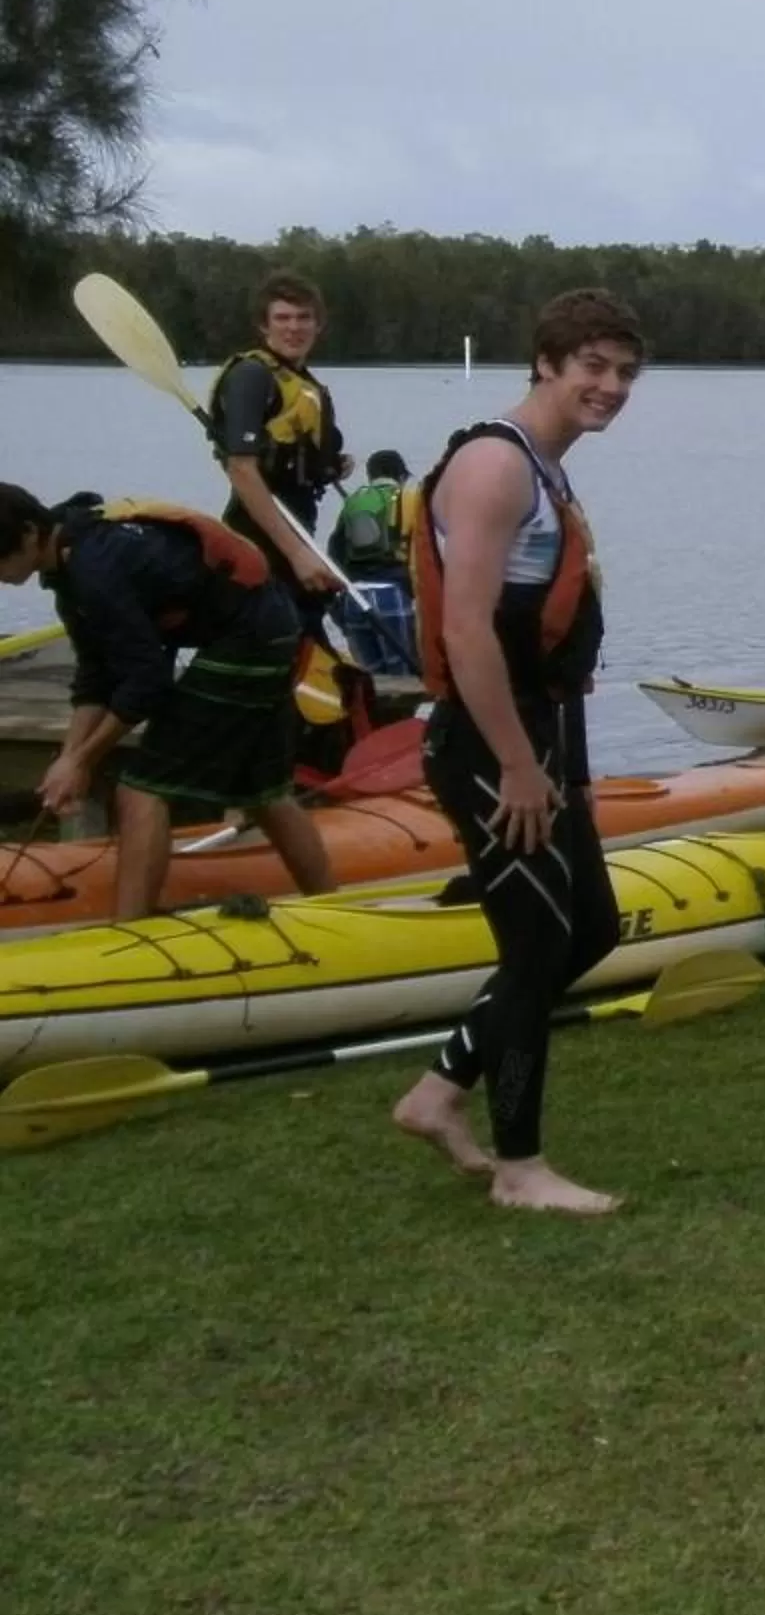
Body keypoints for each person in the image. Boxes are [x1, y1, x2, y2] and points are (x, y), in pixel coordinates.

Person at [388, 290, 646, 1215]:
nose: (610, 387)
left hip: (539, 736)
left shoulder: (547, 468)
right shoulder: (496, 467)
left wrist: (559, 761)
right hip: (493, 745)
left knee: (591, 931)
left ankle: (435, 1093)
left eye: (624, 373)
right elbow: (465, 634)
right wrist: (520, 765)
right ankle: (520, 1168)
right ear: (546, 362)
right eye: (593, 367)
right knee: (536, 946)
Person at [0, 482, 336, 917]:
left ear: (29, 532)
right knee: (262, 791)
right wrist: (68, 759)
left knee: (142, 787)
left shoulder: (94, 568)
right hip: (264, 625)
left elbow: (147, 681)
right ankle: (329, 901)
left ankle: (130, 929)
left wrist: (83, 761)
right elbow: (96, 676)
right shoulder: (66, 560)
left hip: (250, 638)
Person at [208, 271, 349, 619]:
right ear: (263, 326)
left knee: (306, 633)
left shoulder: (301, 382)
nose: (294, 328)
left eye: (304, 318)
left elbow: (292, 454)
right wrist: (296, 553)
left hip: (299, 528)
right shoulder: (252, 376)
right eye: (282, 318)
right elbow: (241, 468)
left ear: (319, 325)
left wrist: (330, 463)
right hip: (258, 537)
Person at [327, 450, 420, 674]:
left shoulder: (353, 502)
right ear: (401, 476)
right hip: (392, 596)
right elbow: (424, 556)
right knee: (406, 681)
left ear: (369, 476)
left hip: (355, 599)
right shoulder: (410, 499)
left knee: (371, 685)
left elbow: (334, 553)